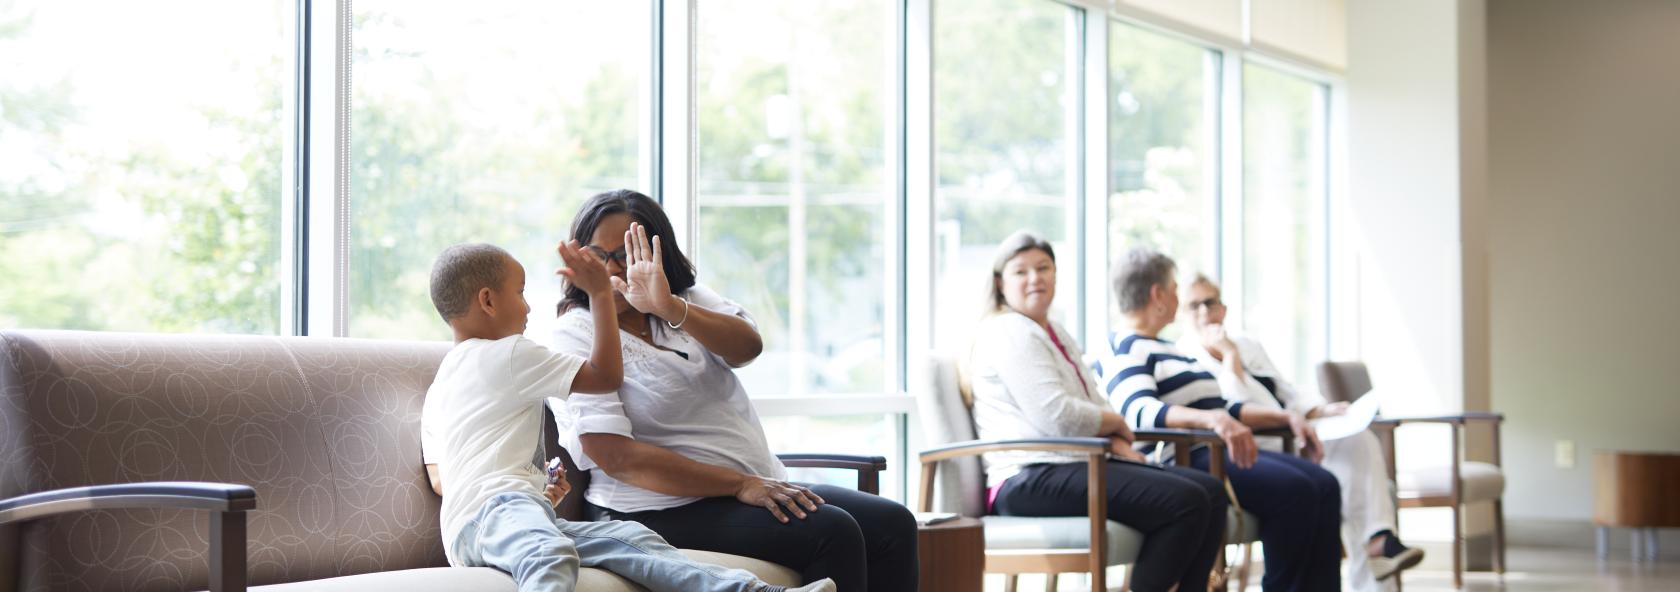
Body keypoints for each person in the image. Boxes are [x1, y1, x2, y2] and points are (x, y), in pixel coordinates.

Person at [545, 189, 918, 592]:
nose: (614, 271)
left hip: (746, 488)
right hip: (651, 509)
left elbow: (748, 348)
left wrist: (668, 306)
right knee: (832, 530)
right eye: (599, 257)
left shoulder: (685, 301)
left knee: (892, 523)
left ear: (658, 255)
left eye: (627, 255)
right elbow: (615, 457)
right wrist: (740, 484)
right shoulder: (576, 333)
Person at [418, 242, 834, 592]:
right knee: (549, 556)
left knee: (630, 539)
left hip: (472, 527)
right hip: (499, 511)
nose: (528, 307)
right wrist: (600, 295)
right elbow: (604, 377)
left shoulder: (441, 385)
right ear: (488, 300)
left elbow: (444, 479)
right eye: (521, 292)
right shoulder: (508, 352)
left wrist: (536, 494)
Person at [966, 231, 1227, 592]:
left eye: (1043, 268)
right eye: (1021, 272)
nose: (1035, 278)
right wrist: (1117, 424)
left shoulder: (1052, 329)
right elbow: (1056, 416)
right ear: (1000, 282)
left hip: (1073, 463)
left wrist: (1116, 440)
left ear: (1056, 274)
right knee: (1186, 502)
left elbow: (1093, 398)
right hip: (1027, 476)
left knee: (1211, 491)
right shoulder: (1009, 330)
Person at [1092, 247, 1342, 592]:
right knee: (1296, 492)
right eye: (1176, 289)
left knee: (1325, 484)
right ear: (1158, 294)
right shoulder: (1124, 347)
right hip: (1185, 457)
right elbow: (1138, 412)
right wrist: (1210, 420)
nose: (1179, 297)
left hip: (1218, 449)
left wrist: (1288, 415)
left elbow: (1225, 407)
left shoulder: (1171, 349)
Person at [1180, 274, 1424, 588]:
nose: (1203, 312)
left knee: (1358, 439)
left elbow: (1286, 391)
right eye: (1193, 305)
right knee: (1326, 482)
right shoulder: (1186, 357)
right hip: (1259, 445)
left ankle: (1379, 539)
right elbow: (1235, 408)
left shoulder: (1248, 345)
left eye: (1209, 302)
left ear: (1223, 308)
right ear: (1181, 313)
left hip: (1294, 433)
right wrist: (1229, 357)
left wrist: (1322, 410)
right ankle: (1377, 545)